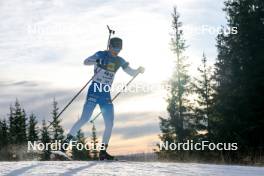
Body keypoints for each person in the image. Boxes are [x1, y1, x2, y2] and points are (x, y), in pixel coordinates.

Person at [66, 37, 145, 160]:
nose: (117, 51)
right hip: (95, 89)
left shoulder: (120, 60)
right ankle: (64, 144)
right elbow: (85, 61)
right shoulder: (101, 54)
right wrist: (97, 60)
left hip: (105, 93)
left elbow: (131, 73)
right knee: (85, 118)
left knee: (110, 123)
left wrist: (138, 71)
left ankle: (103, 152)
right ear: (110, 46)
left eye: (119, 48)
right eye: (115, 47)